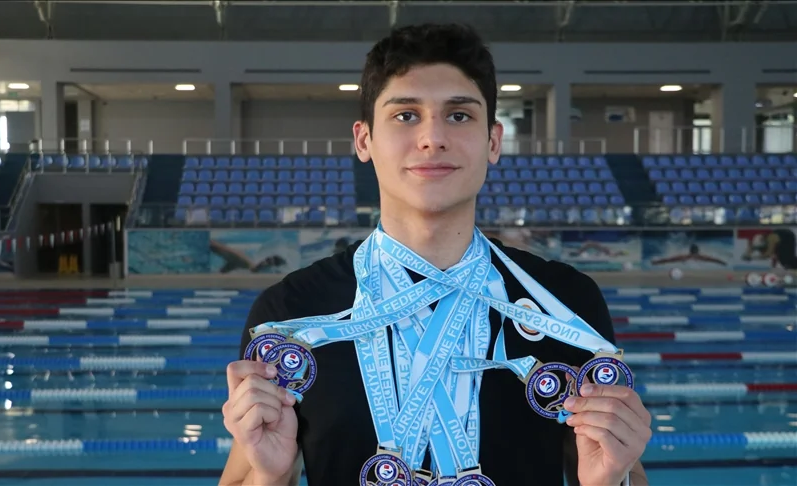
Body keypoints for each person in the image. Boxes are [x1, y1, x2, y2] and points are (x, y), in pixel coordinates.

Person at [220, 23, 651, 486]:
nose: (432, 138)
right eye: (406, 115)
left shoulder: (565, 306)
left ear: (493, 141)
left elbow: (614, 470)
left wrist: (609, 481)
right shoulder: (291, 318)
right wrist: (270, 475)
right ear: (364, 140)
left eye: (459, 115)